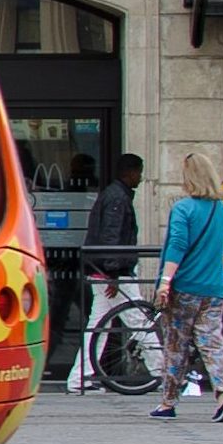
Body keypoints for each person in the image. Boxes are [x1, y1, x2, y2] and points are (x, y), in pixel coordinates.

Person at [152, 153, 223, 421]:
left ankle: (168, 402)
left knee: (176, 345)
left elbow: (177, 246)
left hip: (185, 287)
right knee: (212, 343)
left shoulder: (183, 209)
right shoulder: (222, 210)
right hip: (214, 287)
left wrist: (165, 282)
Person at [69, 153, 142, 393]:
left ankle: (80, 378)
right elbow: (111, 237)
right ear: (129, 172)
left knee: (100, 325)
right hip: (114, 273)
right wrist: (113, 274)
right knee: (139, 319)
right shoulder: (117, 198)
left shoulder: (112, 195)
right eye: (138, 173)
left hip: (106, 271)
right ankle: (164, 372)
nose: (140, 178)